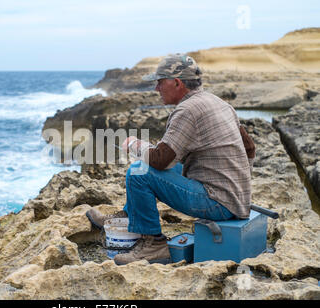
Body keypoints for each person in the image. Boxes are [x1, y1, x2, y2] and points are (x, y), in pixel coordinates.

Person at [86, 53, 256, 265]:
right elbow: (249, 147)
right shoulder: (218, 103)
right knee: (156, 166)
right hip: (234, 199)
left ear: (176, 83)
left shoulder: (187, 110)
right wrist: (240, 186)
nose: (156, 88)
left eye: (159, 82)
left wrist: (134, 145)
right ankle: (131, 218)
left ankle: (154, 245)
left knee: (138, 172)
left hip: (216, 203)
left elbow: (160, 161)